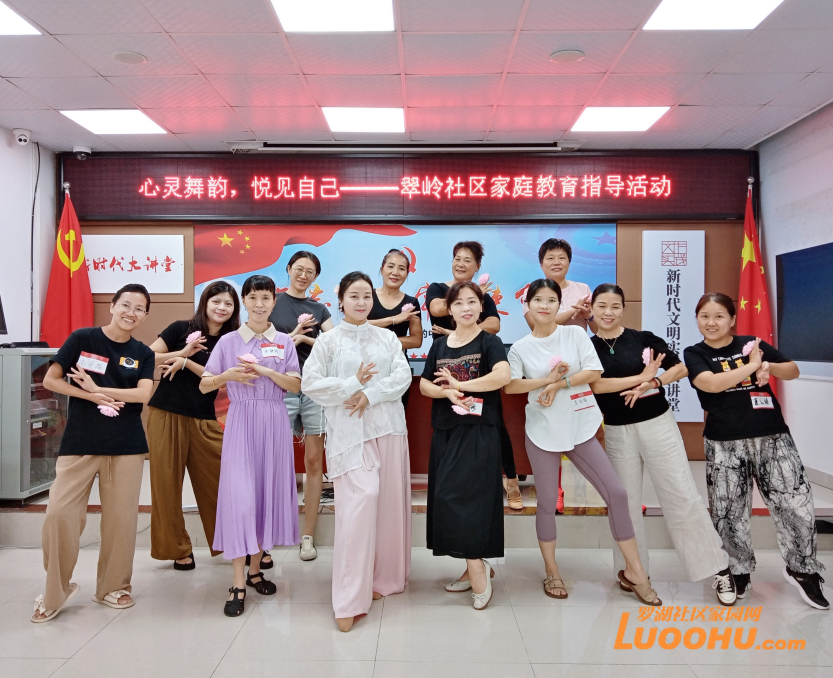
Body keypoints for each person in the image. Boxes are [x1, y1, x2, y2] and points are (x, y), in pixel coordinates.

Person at [505, 279, 660, 605]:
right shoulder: (520, 347)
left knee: (617, 494)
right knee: (547, 502)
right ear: (528, 305)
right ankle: (552, 571)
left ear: (559, 305)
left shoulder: (574, 335)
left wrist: (558, 384)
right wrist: (545, 381)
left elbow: (593, 373)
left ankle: (636, 572)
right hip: (543, 432)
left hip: (581, 426)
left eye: (551, 300)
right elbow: (512, 386)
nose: (545, 306)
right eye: (538, 300)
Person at [588, 284, 736, 606]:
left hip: (658, 424)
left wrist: (654, 381)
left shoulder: (643, 338)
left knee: (681, 495)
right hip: (617, 431)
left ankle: (718, 568)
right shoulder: (588, 347)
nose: (608, 312)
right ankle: (633, 571)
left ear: (623, 308)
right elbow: (596, 385)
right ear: (592, 309)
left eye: (615, 306)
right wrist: (640, 379)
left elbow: (680, 367)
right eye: (602, 306)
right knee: (625, 504)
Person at [684, 292, 828, 610]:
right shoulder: (695, 353)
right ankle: (738, 571)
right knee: (729, 513)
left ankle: (802, 570)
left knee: (796, 505)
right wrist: (751, 367)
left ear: (732, 319)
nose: (711, 322)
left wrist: (766, 365)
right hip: (724, 442)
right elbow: (710, 384)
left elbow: (792, 370)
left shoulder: (752, 344)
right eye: (704, 316)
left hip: (772, 436)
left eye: (719, 316)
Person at [33, 284, 155, 623]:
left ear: (145, 316)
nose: (131, 312)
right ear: (112, 306)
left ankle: (112, 587)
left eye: (139, 309)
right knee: (59, 514)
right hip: (81, 442)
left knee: (121, 521)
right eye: (125, 304)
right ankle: (55, 590)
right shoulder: (82, 339)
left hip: (126, 445)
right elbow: (52, 381)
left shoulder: (143, 353)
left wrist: (98, 387)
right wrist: (90, 396)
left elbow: (142, 394)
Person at [303, 272, 412, 632]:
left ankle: (383, 579)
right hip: (350, 435)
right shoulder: (328, 341)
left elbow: (402, 376)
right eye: (354, 296)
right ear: (341, 300)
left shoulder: (386, 337)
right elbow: (311, 384)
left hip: (388, 428)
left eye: (367, 296)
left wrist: (371, 394)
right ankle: (348, 598)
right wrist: (353, 385)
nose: (362, 302)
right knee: (360, 505)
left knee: (388, 507)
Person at [201, 275, 302, 617]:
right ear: (244, 301)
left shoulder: (284, 342)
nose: (260, 304)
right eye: (253, 297)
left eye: (266, 298)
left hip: (274, 422)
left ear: (274, 302)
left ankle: (255, 571)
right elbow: (204, 385)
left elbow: (295, 385)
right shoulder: (228, 341)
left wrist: (265, 371)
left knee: (264, 499)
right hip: (241, 422)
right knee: (240, 502)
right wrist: (227, 376)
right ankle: (237, 582)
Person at [421, 281, 511, 610]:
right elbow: (425, 386)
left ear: (481, 306)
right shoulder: (440, 345)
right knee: (447, 498)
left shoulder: (490, 342)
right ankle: (475, 562)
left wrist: (461, 384)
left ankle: (477, 568)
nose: (466, 308)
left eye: (472, 302)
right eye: (458, 303)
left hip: (479, 431)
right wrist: (446, 392)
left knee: (472, 499)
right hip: (446, 429)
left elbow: (502, 376)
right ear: (449, 309)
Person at [147, 281, 240, 571]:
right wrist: (182, 353)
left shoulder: (233, 340)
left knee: (222, 483)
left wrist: (186, 364)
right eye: (216, 301)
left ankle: (230, 542)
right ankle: (177, 549)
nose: (221, 308)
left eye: (228, 303)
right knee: (165, 485)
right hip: (166, 414)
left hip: (205, 419)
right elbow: (147, 357)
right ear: (205, 302)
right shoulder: (180, 328)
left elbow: (223, 377)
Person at [426, 241, 521, 510]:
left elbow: (494, 324)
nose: (461, 263)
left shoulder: (483, 300)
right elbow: (436, 309)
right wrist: (463, 306)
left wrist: (466, 326)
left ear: (477, 266)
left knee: (494, 425)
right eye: (457, 258)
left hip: (480, 368)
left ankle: (511, 479)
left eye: (468, 260)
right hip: (445, 365)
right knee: (448, 431)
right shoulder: (437, 288)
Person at [268, 250, 334, 563]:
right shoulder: (272, 303)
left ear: (315, 277)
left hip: (314, 388)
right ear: (289, 269)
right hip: (281, 386)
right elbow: (259, 345)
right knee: (275, 459)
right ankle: (271, 531)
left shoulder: (319, 309)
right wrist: (289, 340)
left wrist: (306, 341)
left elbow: (334, 346)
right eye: (299, 269)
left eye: (310, 271)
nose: (303, 275)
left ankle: (307, 534)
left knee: (313, 460)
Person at [523, 238, 597, 514]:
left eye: (562, 257)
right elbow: (538, 322)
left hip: (580, 368)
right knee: (550, 432)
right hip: (547, 368)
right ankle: (556, 491)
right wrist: (571, 311)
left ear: (569, 262)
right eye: (550, 258)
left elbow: (595, 327)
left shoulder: (583, 289)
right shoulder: (532, 291)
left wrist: (589, 316)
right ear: (541, 263)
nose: (556, 262)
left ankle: (607, 486)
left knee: (592, 428)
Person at [367, 248, 422, 408]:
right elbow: (355, 326)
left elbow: (416, 340)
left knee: (395, 417)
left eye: (401, 268)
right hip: (367, 367)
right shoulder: (367, 296)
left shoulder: (411, 302)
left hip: (397, 369)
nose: (395, 272)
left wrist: (381, 340)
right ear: (382, 269)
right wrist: (394, 319)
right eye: (390, 266)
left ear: (407, 274)